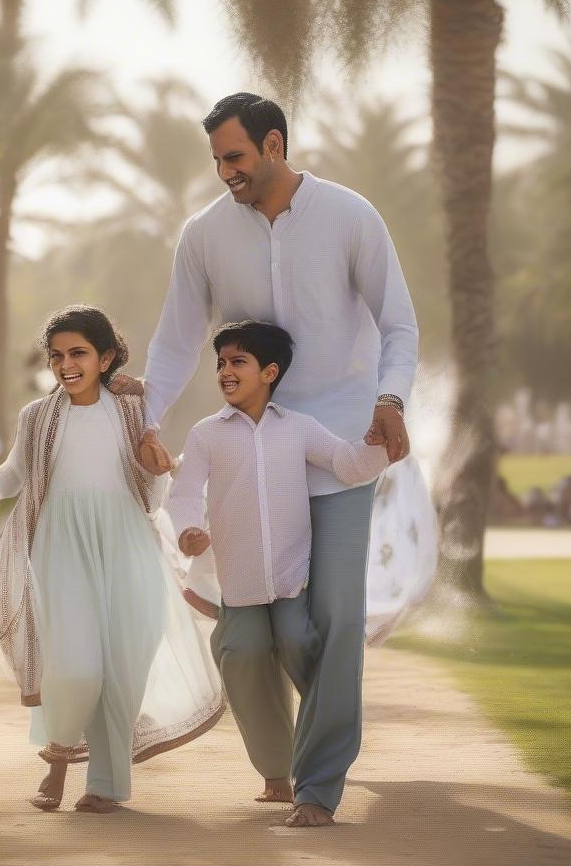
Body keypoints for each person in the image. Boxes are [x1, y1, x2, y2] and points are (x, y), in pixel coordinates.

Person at [135, 93, 418, 827]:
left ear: (273, 144)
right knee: (253, 633)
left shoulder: (350, 215)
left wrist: (392, 399)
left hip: (338, 449)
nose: (225, 171)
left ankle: (319, 783)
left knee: (333, 619)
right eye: (217, 160)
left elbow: (397, 322)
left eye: (234, 156)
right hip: (247, 462)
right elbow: (173, 341)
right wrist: (144, 419)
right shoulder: (202, 236)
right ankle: (291, 755)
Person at [0, 305, 224, 814]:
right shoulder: (38, 417)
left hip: (128, 543)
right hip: (61, 544)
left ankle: (107, 784)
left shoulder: (134, 410)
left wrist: (160, 466)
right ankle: (58, 760)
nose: (66, 364)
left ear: (106, 356)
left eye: (79, 353)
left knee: (124, 664)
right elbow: (17, 474)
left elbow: (154, 488)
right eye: (57, 356)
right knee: (75, 665)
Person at [165, 321, 388, 804]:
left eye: (237, 362)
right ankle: (275, 773)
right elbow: (182, 494)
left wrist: (378, 443)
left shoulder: (299, 428)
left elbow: (348, 464)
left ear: (269, 372)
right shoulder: (206, 435)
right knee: (241, 654)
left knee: (297, 640)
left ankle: (327, 725)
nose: (225, 371)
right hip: (239, 585)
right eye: (220, 362)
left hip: (292, 579)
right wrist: (187, 530)